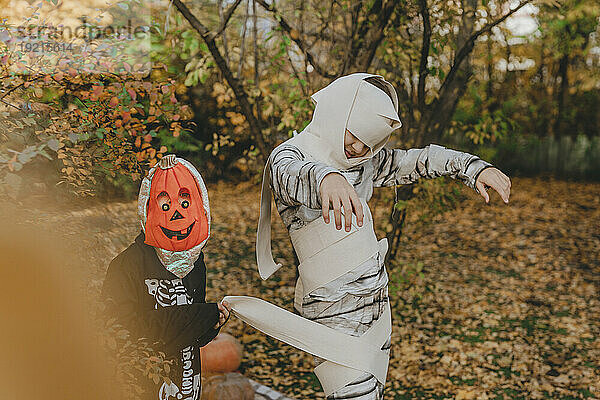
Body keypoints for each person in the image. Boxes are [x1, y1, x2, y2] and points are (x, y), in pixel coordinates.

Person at [255, 73, 511, 399]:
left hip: (377, 304)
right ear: (335, 111)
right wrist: (327, 179)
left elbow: (416, 160)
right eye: (355, 135)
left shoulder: (364, 161)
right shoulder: (291, 156)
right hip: (336, 312)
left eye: (371, 143)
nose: (360, 148)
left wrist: (471, 167)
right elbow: (292, 175)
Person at [102, 154, 231, 400]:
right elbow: (127, 331)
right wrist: (202, 314)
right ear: (148, 209)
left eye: (185, 204)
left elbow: (188, 330)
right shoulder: (126, 266)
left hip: (188, 388)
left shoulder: (195, 264)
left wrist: (211, 324)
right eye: (165, 206)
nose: (176, 215)